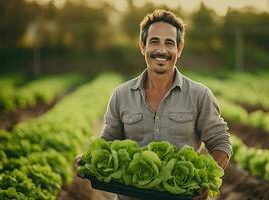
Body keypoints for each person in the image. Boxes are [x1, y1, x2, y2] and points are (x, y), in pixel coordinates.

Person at [75, 9, 232, 200]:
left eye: (169, 43)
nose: (162, 50)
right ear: (143, 46)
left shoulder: (199, 95)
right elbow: (108, 140)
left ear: (179, 49)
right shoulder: (121, 95)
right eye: (154, 41)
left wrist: (206, 180)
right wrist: (89, 159)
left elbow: (221, 143)